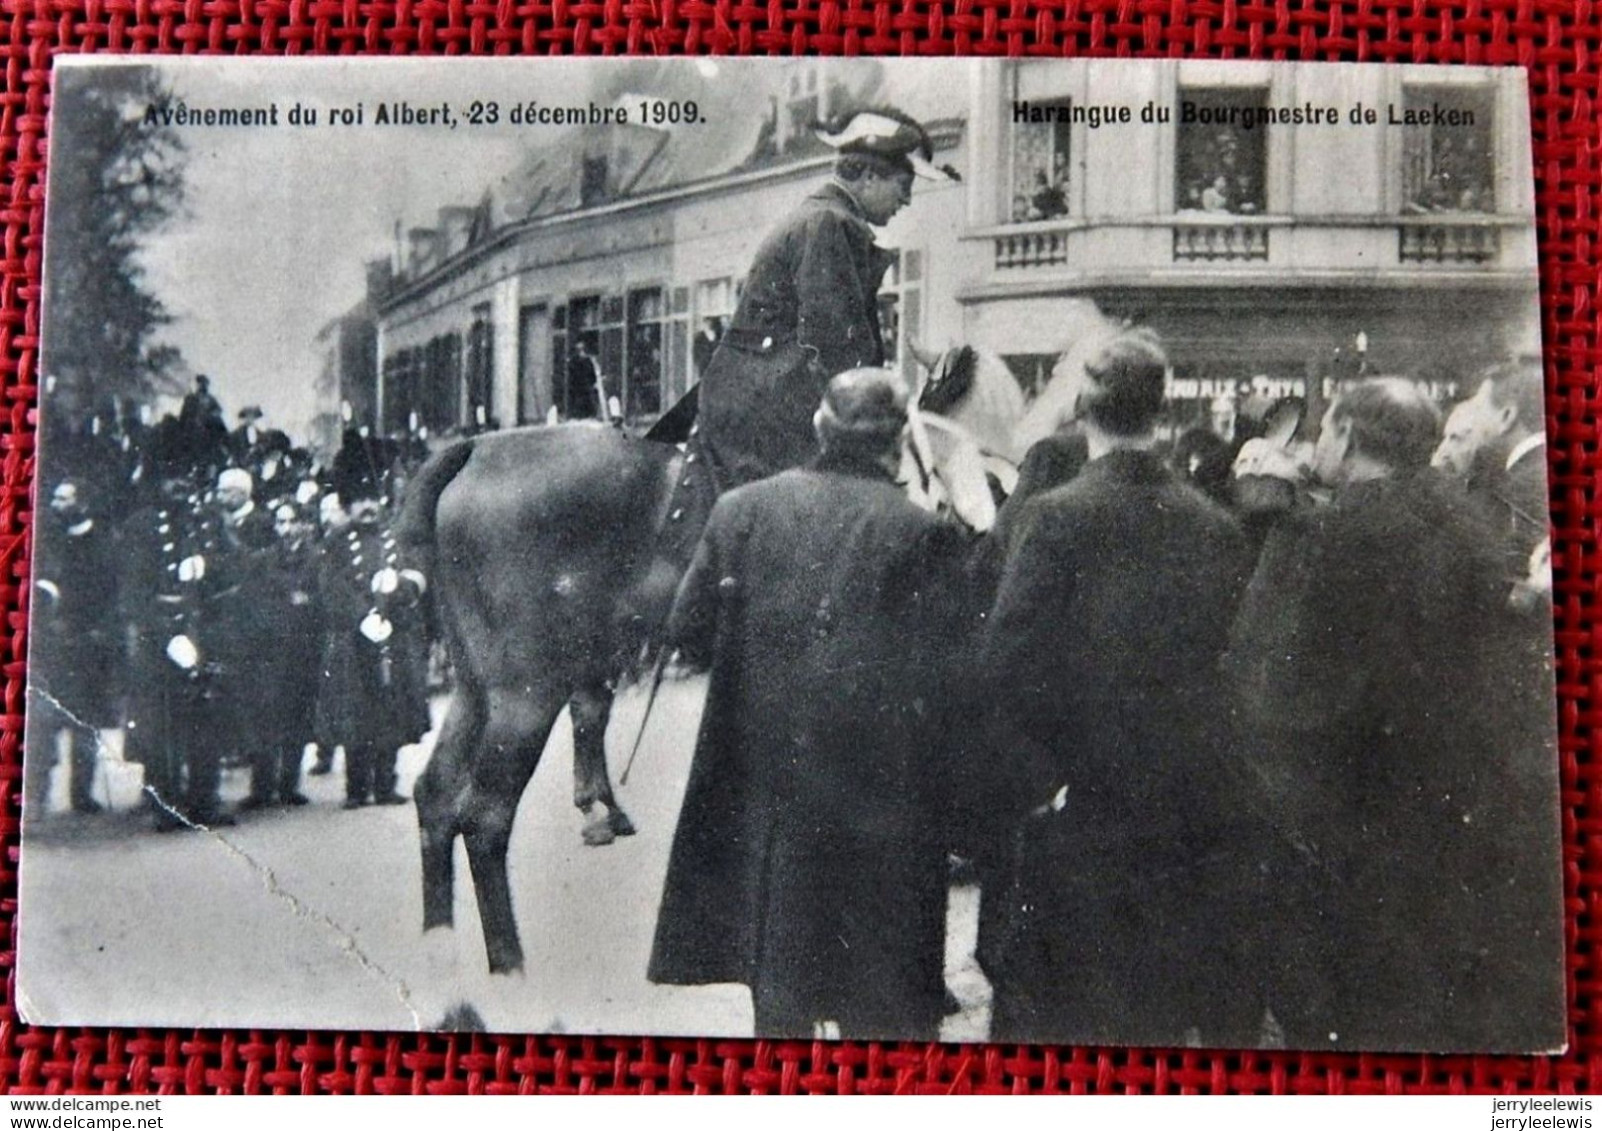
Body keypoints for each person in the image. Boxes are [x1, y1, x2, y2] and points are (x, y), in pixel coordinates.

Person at [1227, 378, 1564, 1052]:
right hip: (1453, 821)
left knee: (1346, 1024)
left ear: (1348, 436)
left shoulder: (1321, 533)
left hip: (1343, 831)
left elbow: (1262, 681)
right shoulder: (1471, 519)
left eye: (1326, 429)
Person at [648, 368, 974, 1040]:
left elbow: (685, 628)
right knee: (884, 1029)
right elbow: (955, 685)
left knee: (783, 1016)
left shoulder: (741, 510)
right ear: (896, 445)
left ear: (820, 428)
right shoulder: (925, 534)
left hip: (772, 817)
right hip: (885, 830)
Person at [977, 332, 1263, 1047]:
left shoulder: (1055, 516)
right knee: (1159, 1012)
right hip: (1184, 810)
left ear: (1080, 406)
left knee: (1069, 1021)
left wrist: (1038, 783)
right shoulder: (1216, 525)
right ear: (1161, 409)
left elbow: (1007, 664)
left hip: (1082, 809)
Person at [697, 108, 956, 489]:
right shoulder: (831, 224)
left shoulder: (820, 217)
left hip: (751, 396)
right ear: (868, 176)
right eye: (904, 185)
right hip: (768, 408)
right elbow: (837, 343)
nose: (907, 200)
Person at [315, 458, 430, 809]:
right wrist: (361, 616)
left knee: (389, 712)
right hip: (354, 639)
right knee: (356, 713)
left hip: (392, 638)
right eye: (359, 501)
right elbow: (329, 585)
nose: (366, 507)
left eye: (371, 499)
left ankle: (385, 783)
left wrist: (399, 587)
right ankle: (356, 788)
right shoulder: (336, 541)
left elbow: (419, 575)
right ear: (349, 505)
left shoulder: (395, 538)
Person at [28, 480, 119, 816]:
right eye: (55, 497)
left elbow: (113, 597)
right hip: (53, 645)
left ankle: (82, 794)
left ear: (83, 502)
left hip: (89, 648)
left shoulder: (104, 545)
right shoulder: (49, 540)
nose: (56, 503)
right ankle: (37, 795)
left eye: (65, 498)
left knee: (86, 722)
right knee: (42, 722)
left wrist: (101, 633)